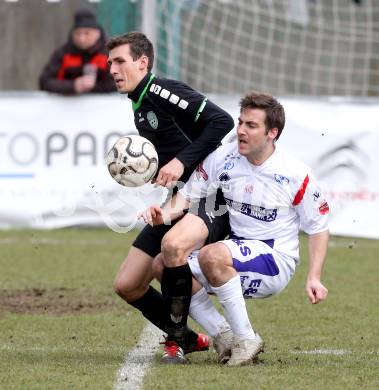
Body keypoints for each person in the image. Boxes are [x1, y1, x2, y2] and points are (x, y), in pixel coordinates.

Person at [140, 91, 329, 366]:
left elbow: (319, 227)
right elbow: (188, 195)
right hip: (235, 253)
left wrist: (314, 277)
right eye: (240, 122)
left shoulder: (295, 173)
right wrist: (162, 215)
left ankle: (246, 338)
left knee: (211, 255)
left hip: (275, 259)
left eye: (251, 126)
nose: (240, 130)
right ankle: (224, 336)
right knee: (164, 266)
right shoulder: (224, 158)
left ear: (272, 133)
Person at [106, 32, 234, 363]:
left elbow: (221, 121)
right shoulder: (138, 104)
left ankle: (218, 336)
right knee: (127, 284)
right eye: (109, 63)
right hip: (180, 199)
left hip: (210, 198)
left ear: (142, 62)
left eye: (120, 61)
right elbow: (175, 150)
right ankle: (190, 340)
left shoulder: (163, 91)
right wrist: (150, 171)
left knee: (171, 251)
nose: (112, 69)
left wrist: (182, 161)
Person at [39, 9, 116, 94]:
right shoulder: (63, 53)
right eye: (78, 33)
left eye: (87, 33)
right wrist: (73, 86)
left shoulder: (111, 53)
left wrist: (93, 87)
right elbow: (44, 82)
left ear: (98, 33)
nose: (81, 39)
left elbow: (120, 83)